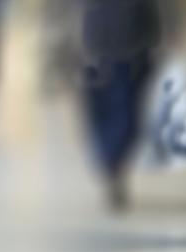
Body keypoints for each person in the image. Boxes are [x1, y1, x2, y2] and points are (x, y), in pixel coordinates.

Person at [79, 0, 164, 211]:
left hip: (133, 46)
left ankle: (114, 165)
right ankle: (112, 166)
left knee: (129, 115)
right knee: (108, 112)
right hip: (101, 45)